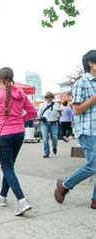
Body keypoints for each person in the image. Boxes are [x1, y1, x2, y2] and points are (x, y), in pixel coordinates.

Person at [0, 67, 38, 216]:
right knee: (9, 167)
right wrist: (19, 120)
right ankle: (2, 196)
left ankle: (22, 200)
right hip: (19, 133)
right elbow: (33, 112)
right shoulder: (21, 94)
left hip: (4, 134)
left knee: (7, 167)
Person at [54, 49, 96, 210]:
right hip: (88, 130)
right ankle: (64, 185)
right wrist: (93, 99)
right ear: (91, 63)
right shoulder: (81, 83)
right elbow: (77, 110)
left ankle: (95, 200)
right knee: (93, 166)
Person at [38, 91, 61, 157]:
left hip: (54, 123)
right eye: (47, 97)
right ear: (45, 98)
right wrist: (40, 118)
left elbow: (60, 115)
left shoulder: (57, 105)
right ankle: (46, 152)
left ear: (52, 98)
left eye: (50, 97)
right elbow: (39, 114)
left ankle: (54, 146)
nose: (49, 98)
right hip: (44, 123)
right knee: (45, 138)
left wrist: (60, 112)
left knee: (54, 137)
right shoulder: (42, 105)